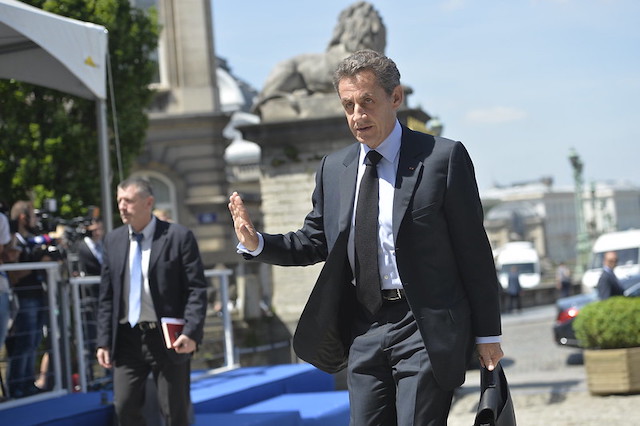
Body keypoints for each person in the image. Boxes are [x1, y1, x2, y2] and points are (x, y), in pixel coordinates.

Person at [229, 49, 503, 425]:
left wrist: (487, 333)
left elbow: (474, 253)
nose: (357, 116)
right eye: (348, 105)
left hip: (423, 324)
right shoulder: (334, 169)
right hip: (364, 328)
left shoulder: (442, 159)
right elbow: (315, 240)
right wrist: (257, 242)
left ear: (395, 97)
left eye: (367, 102)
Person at [96, 177, 208, 425]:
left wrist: (191, 332)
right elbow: (106, 296)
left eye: (129, 201)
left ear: (148, 202)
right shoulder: (113, 241)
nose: (122, 207)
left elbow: (196, 290)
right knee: (124, 408)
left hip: (169, 338)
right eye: (119, 201)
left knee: (174, 412)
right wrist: (103, 341)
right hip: (127, 339)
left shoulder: (178, 237)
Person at [6, 200, 50, 398]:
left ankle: (27, 383)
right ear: (23, 217)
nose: (36, 220)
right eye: (32, 215)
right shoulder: (13, 240)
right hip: (24, 296)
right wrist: (37, 261)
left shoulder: (33, 239)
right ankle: (15, 386)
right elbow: (15, 274)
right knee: (23, 342)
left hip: (38, 295)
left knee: (33, 341)